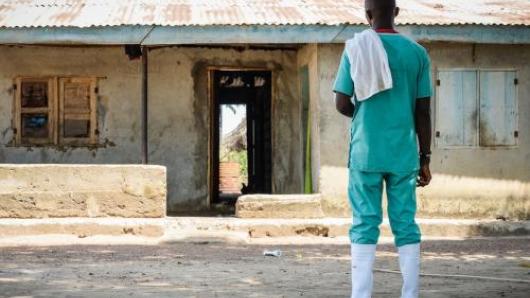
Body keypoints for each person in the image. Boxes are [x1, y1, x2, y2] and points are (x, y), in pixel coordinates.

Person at [333, 1, 432, 297]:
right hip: (403, 154)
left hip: (366, 152)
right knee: (405, 223)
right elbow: (423, 111)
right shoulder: (417, 54)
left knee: (364, 222)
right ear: (397, 12)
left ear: (367, 15)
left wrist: (365, 115)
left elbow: (340, 103)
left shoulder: (355, 49)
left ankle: (361, 294)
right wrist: (424, 157)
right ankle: (410, 293)